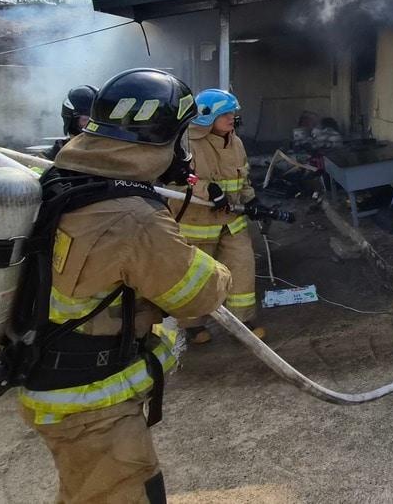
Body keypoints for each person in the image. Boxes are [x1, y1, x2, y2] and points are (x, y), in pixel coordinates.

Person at [20, 69, 231, 503]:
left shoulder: (63, 182)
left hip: (49, 379)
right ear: (165, 139)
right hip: (91, 404)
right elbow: (199, 294)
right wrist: (211, 265)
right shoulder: (130, 216)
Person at [168, 88, 265, 344]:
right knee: (196, 278)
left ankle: (242, 322)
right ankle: (192, 326)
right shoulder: (185, 142)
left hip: (232, 222)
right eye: (225, 114)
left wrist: (251, 199)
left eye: (232, 113)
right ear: (207, 115)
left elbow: (241, 177)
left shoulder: (236, 142)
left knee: (242, 268)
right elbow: (175, 178)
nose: (231, 118)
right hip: (196, 225)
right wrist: (205, 188)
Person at [44, 84, 97, 160]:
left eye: (96, 120)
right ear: (72, 121)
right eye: (86, 120)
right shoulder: (58, 152)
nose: (92, 125)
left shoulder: (109, 149)